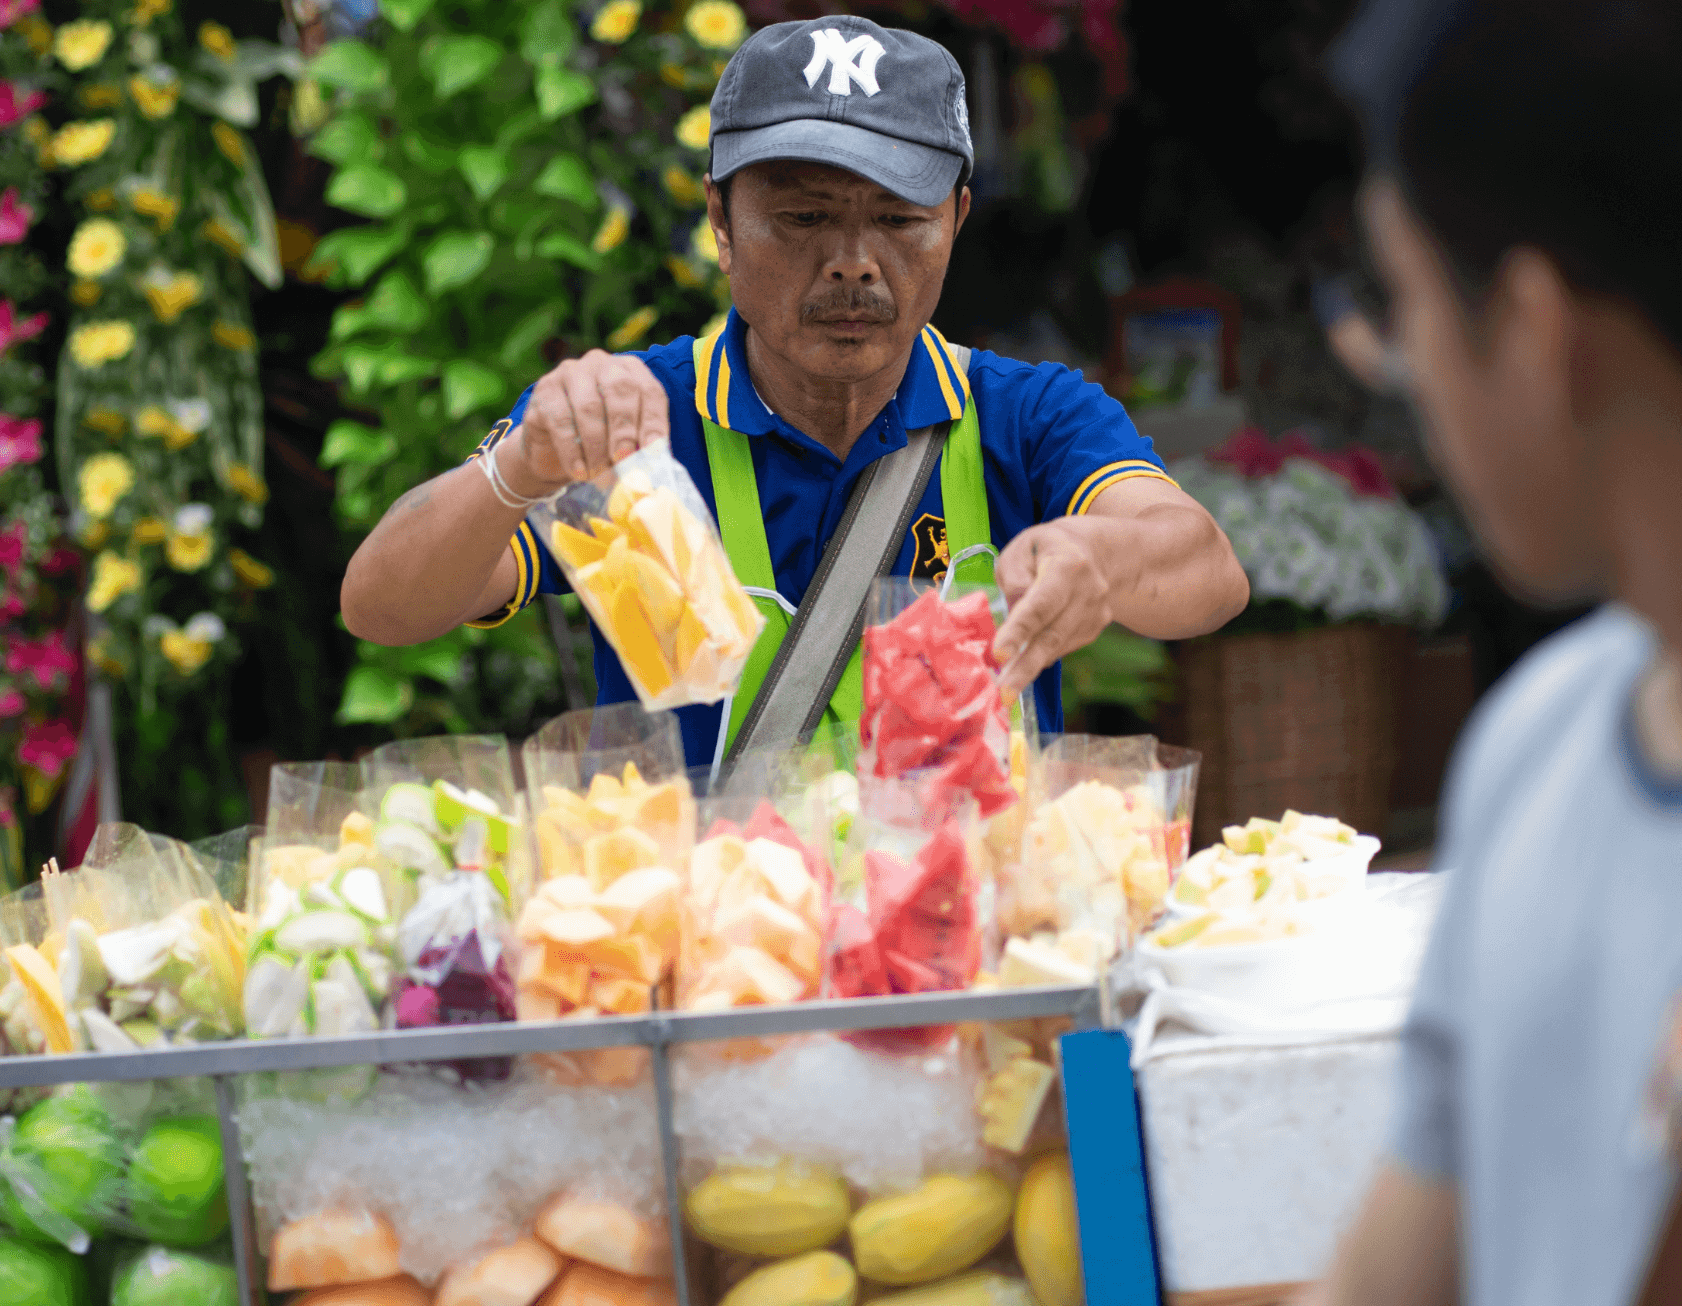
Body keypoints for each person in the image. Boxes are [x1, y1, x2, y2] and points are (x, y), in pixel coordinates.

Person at [341, 14, 1247, 769]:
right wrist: (519, 470)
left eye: (899, 220)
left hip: (963, 956)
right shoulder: (627, 425)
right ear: (720, 223)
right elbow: (382, 606)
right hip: (711, 957)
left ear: (958, 222)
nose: (854, 263)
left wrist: (1103, 560)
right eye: (804, 218)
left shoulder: (1029, 417)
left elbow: (1207, 575)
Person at [1305, 1, 1682, 1304]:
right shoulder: (1536, 746)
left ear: (1525, 332)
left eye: (1404, 310)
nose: (1409, 381)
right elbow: (1390, 1266)